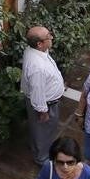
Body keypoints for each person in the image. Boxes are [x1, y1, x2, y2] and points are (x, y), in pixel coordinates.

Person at [21, 26, 65, 167]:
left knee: (39, 129)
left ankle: (37, 147)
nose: (51, 37)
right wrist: (43, 111)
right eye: (48, 36)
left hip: (46, 102)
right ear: (39, 44)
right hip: (46, 105)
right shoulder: (37, 68)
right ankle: (42, 158)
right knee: (43, 131)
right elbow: (37, 91)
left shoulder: (34, 50)